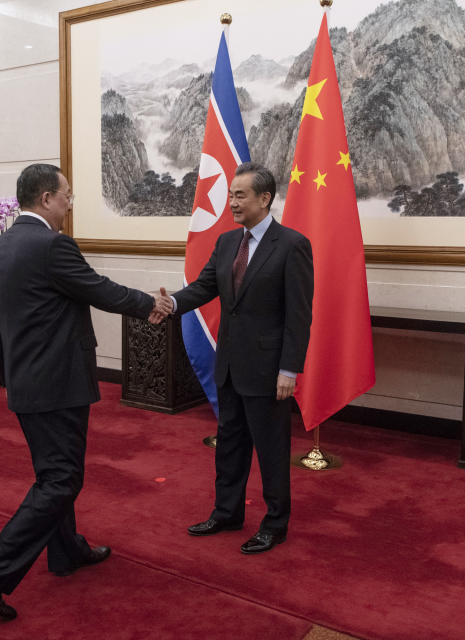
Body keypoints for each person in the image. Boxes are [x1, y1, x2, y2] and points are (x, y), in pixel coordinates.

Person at [0, 163, 172, 620]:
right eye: (67, 194)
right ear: (45, 199)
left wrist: (8, 374)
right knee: (62, 479)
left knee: (51, 473)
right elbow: (99, 289)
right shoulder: (53, 247)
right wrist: (149, 304)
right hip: (59, 384)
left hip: (26, 383)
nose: (70, 202)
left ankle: (67, 551)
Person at [169, 162, 313, 554]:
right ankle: (227, 512)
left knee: (271, 449)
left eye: (240, 195)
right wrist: (170, 303)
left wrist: (289, 369)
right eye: (231, 194)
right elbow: (201, 288)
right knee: (230, 445)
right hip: (229, 366)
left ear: (264, 199)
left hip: (268, 371)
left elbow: (299, 315)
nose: (231, 202)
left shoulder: (292, 245)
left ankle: (275, 523)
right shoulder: (227, 243)